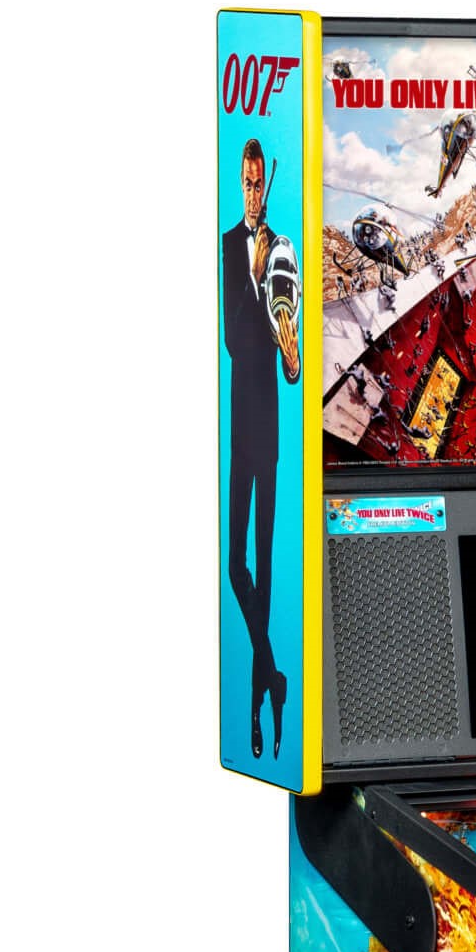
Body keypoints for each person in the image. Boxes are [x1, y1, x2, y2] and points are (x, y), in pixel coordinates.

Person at [222, 138, 302, 758]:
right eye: (247, 183)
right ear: (240, 183)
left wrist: (286, 341)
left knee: (267, 571)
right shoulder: (228, 247)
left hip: (269, 424)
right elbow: (231, 338)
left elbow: (291, 365)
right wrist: (250, 287)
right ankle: (273, 674)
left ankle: (256, 710)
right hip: (240, 422)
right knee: (235, 566)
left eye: (258, 183)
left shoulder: (282, 250)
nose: (254, 192)